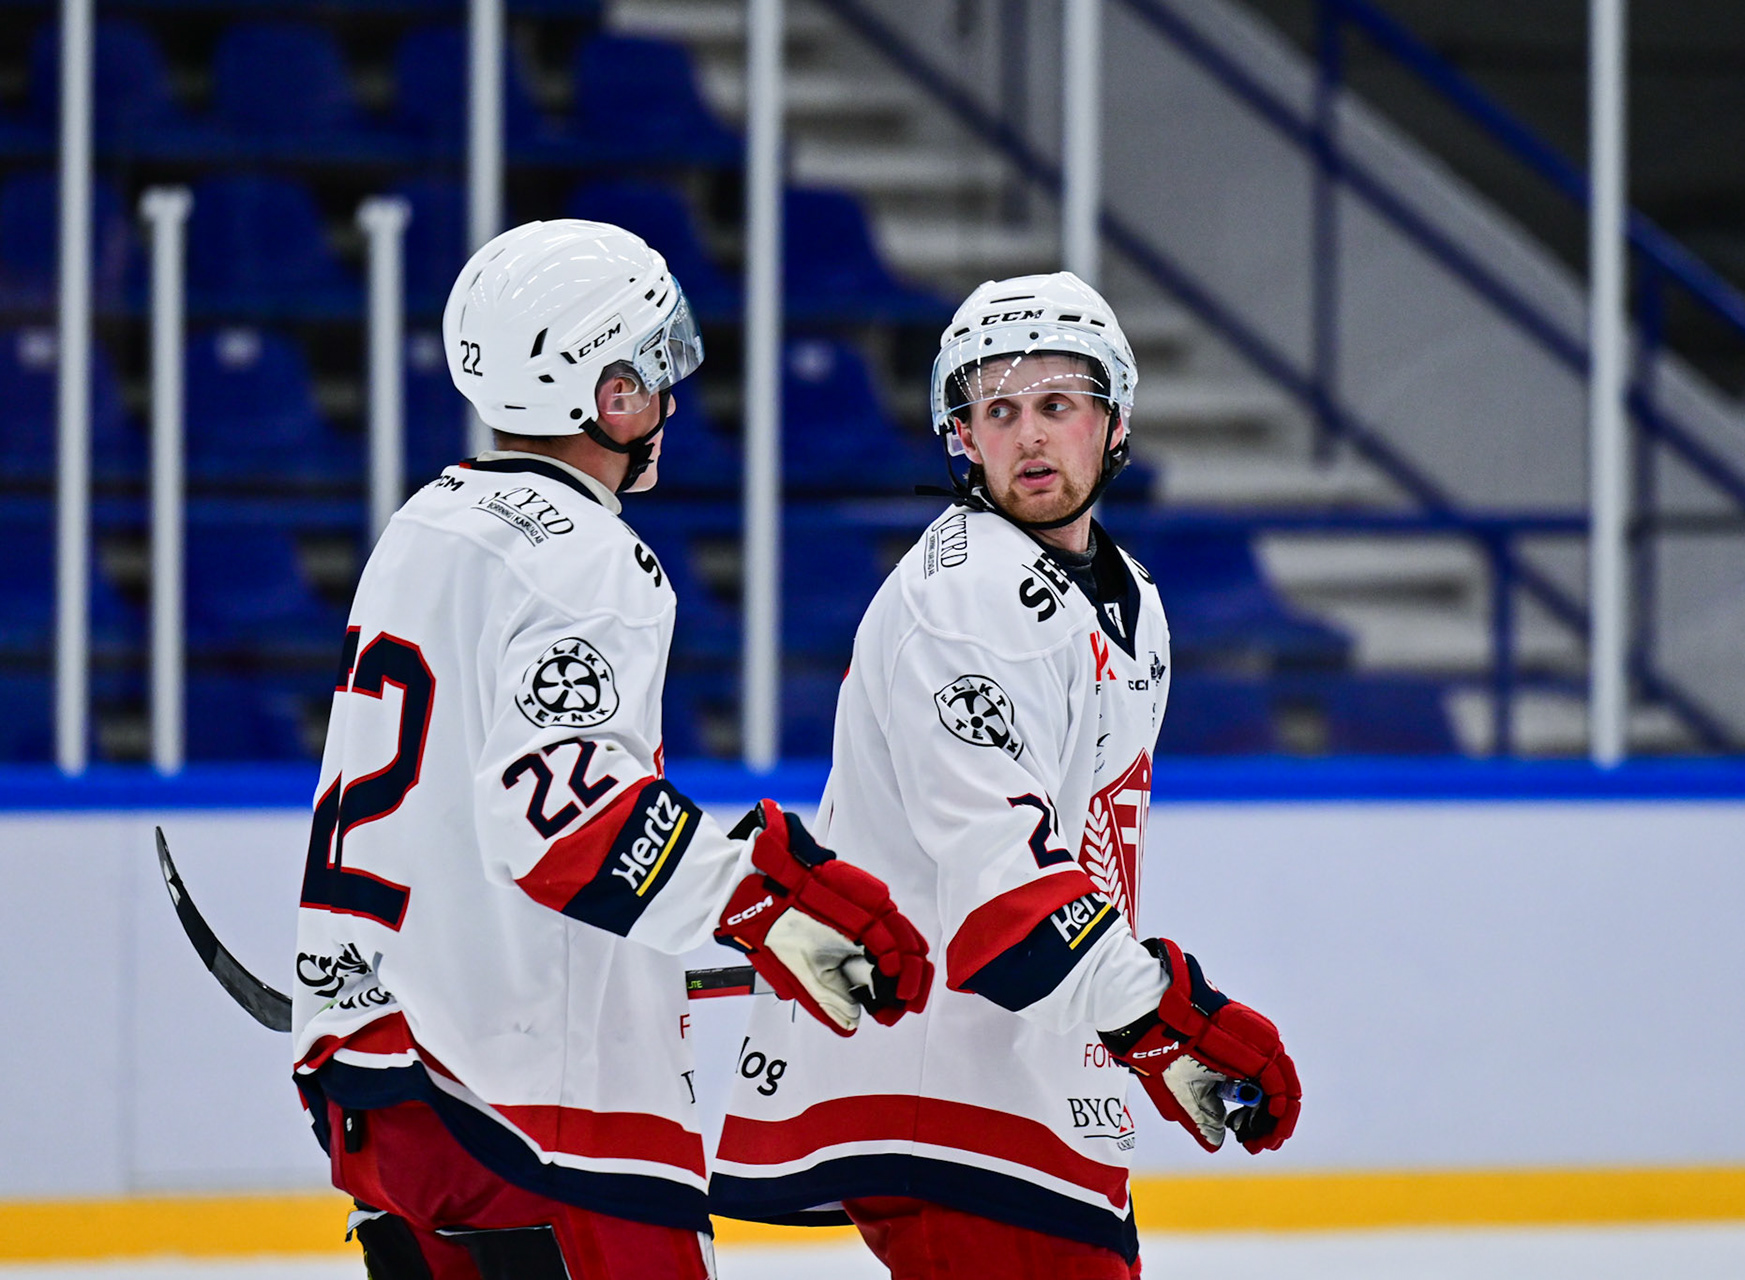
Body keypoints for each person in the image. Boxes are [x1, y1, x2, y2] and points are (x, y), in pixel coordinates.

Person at [291, 220, 932, 1280]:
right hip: (537, 1116)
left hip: (377, 1079)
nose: (670, 398)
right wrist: (759, 899)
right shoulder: (588, 557)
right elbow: (560, 816)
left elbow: (464, 817)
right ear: (606, 390)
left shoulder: (425, 523)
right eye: (651, 368)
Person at [709, 272, 1302, 1278]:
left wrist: (1133, 1028)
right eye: (998, 410)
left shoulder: (1129, 598)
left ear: (1114, 422)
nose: (1028, 435)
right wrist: (1162, 1014)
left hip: (1025, 1075)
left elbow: (1075, 861)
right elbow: (1006, 891)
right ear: (964, 437)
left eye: (1057, 404)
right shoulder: (968, 597)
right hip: (947, 1091)